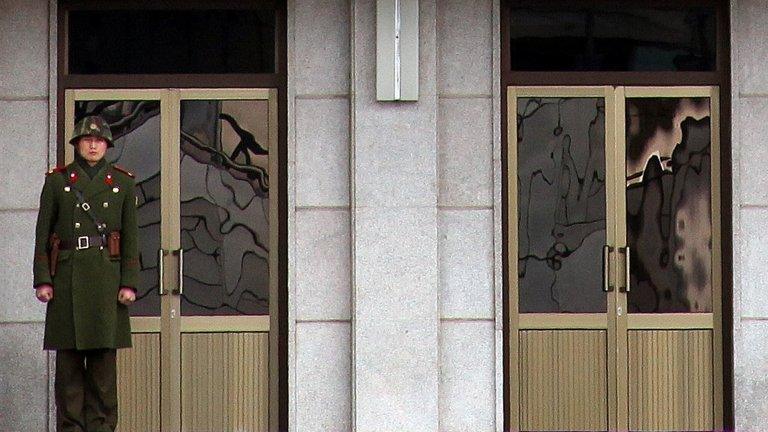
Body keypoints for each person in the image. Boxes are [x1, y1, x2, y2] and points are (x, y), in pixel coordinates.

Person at [33, 115, 139, 432]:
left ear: (107, 145)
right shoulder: (57, 182)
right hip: (66, 280)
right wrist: (43, 279)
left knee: (103, 374)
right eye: (87, 140)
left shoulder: (122, 182)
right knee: (68, 373)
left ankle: (102, 428)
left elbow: (131, 238)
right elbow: (42, 234)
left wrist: (129, 283)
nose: (93, 145)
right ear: (78, 144)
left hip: (106, 281)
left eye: (99, 140)